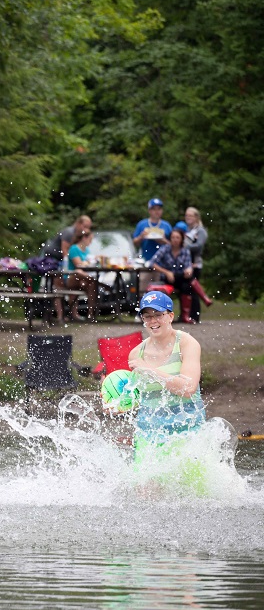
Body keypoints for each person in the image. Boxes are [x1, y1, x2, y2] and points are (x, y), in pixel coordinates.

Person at [127, 290, 207, 494]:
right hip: (149, 433)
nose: (153, 320)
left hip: (186, 430)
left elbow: (188, 388)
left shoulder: (187, 343)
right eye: (147, 316)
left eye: (158, 314)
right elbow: (136, 395)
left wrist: (149, 370)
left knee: (189, 496)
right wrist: (120, 402)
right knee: (145, 493)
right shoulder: (137, 353)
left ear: (170, 316)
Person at [41, 214, 91, 325]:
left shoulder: (78, 236)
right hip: (54, 262)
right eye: (85, 226)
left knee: (72, 287)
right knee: (58, 289)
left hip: (62, 263)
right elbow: (65, 252)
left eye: (88, 227)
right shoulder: (69, 232)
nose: (86, 229)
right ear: (78, 223)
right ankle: (60, 316)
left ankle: (73, 314)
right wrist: (72, 265)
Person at [149, 230, 199, 324]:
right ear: (170, 239)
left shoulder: (185, 251)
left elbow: (188, 266)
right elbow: (152, 263)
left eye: (177, 238)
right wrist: (167, 272)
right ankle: (204, 297)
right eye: (173, 237)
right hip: (167, 279)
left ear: (181, 239)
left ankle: (185, 315)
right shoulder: (165, 249)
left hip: (181, 278)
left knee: (187, 285)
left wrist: (189, 270)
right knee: (190, 282)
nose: (175, 240)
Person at [182, 207, 212, 322]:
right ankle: (188, 315)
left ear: (196, 217)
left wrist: (184, 247)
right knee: (187, 289)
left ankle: (195, 315)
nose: (188, 218)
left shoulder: (201, 231)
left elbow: (199, 246)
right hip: (186, 264)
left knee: (193, 290)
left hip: (195, 264)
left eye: (190, 215)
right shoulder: (188, 230)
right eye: (186, 215)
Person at [63, 229, 100, 322]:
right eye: (90, 239)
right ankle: (75, 314)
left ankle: (91, 313)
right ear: (84, 238)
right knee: (80, 273)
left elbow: (87, 263)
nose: (90, 242)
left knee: (92, 285)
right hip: (72, 277)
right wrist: (89, 262)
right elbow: (78, 265)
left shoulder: (87, 250)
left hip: (82, 279)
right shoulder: (74, 248)